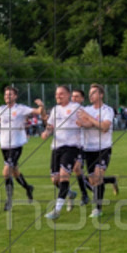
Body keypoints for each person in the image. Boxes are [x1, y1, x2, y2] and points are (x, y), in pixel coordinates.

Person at [76, 83, 119, 218]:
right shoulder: (87, 109)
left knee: (97, 176)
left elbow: (104, 127)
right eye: (89, 93)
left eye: (93, 92)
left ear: (101, 94)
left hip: (104, 147)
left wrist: (89, 119)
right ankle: (111, 180)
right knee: (93, 180)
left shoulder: (107, 110)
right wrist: (83, 123)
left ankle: (97, 208)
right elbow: (88, 124)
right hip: (89, 149)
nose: (90, 95)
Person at [41, 86, 82, 220]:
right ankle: (69, 193)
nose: (58, 96)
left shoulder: (76, 108)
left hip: (71, 147)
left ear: (68, 94)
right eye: (57, 94)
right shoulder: (55, 109)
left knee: (64, 176)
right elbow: (50, 125)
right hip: (56, 147)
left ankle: (57, 211)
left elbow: (85, 120)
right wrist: (47, 132)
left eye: (61, 94)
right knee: (55, 180)